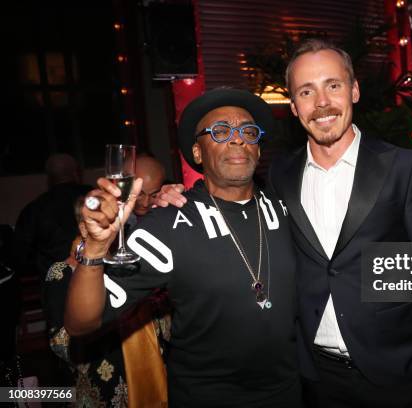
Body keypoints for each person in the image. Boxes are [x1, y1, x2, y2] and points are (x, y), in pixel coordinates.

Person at [156, 40, 412, 408]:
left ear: (354, 90)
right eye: (306, 91)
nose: (321, 103)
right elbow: (232, 202)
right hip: (311, 377)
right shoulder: (281, 175)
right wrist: (168, 195)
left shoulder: (401, 167)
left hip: (396, 374)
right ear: (294, 106)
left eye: (332, 85)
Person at [64, 88, 300, 407]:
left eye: (248, 131)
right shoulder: (168, 225)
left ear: (258, 148)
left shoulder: (287, 207)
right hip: (206, 398)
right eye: (219, 131)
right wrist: (94, 248)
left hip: (287, 393)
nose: (237, 138)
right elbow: (81, 323)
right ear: (197, 153)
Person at [44, 197, 170, 407]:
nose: (114, 226)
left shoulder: (128, 263)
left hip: (152, 377)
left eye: (116, 219)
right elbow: (60, 343)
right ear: (84, 228)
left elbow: (163, 328)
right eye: (105, 220)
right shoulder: (62, 272)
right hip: (101, 389)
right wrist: (106, 319)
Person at [13, 153, 91, 280]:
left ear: (49, 178)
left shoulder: (34, 209)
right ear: (76, 173)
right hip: (98, 276)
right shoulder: (94, 197)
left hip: (55, 282)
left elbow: (19, 254)